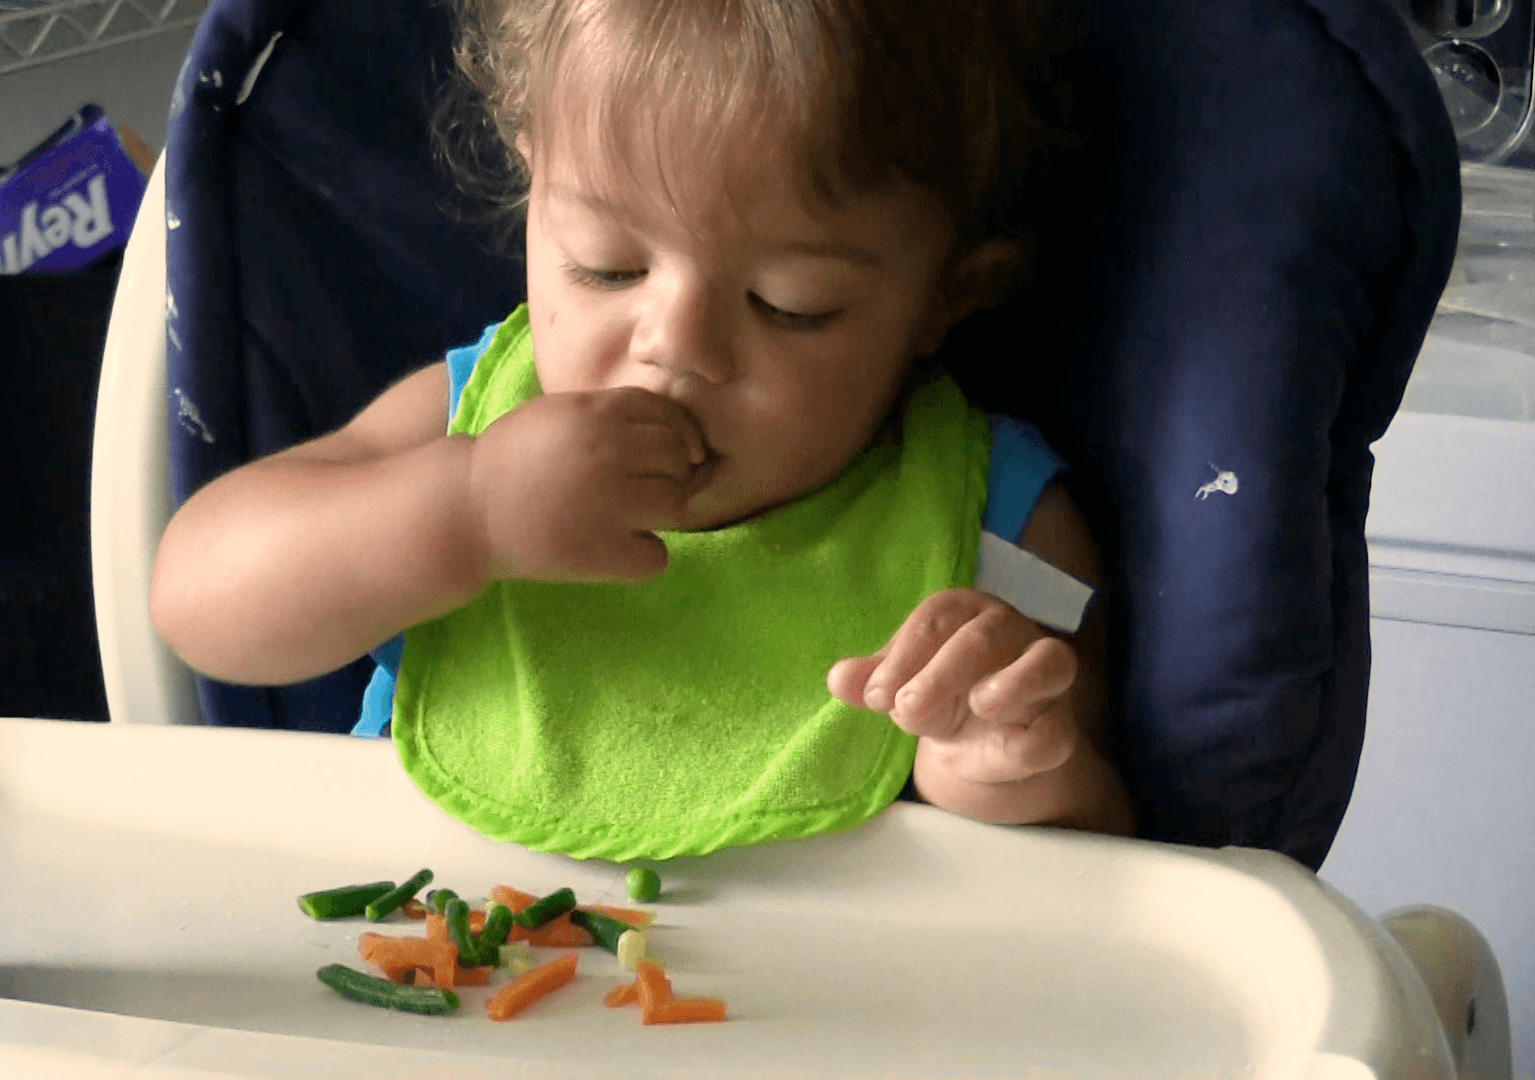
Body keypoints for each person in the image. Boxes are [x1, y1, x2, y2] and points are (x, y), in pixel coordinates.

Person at [150, 0, 1135, 857]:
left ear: (945, 298)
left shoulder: (1000, 537)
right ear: (534, 180)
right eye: (609, 265)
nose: (675, 347)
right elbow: (196, 597)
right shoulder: (468, 423)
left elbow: (1106, 892)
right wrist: (462, 513)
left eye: (790, 303)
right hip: (420, 986)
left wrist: (1006, 774)